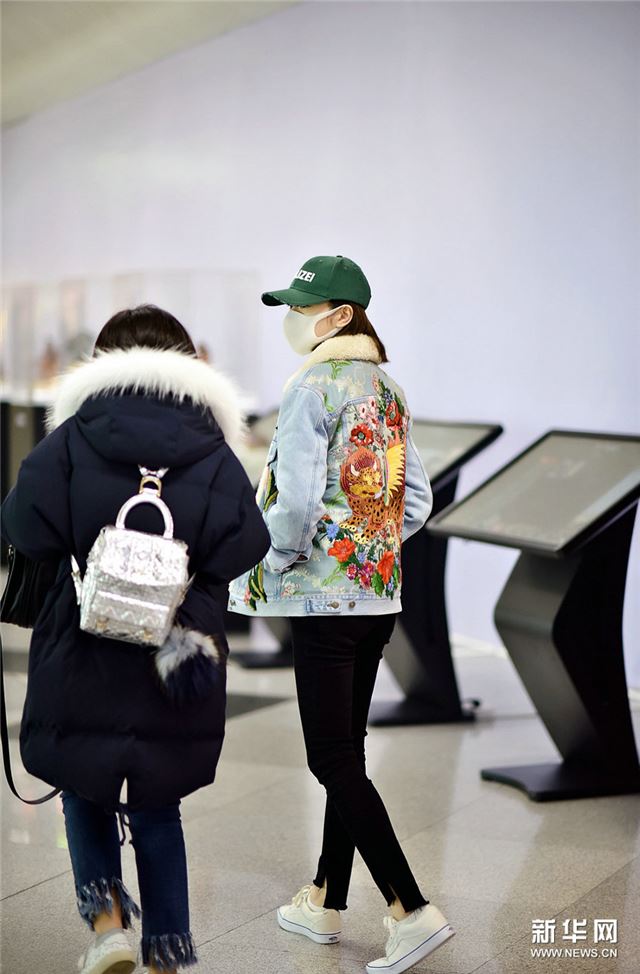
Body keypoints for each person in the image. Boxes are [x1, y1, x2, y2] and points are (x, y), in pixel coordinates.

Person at [1, 305, 270, 974]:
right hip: (175, 651)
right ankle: (166, 953)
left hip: (80, 643)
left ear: (101, 363)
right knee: (158, 805)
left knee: (82, 785)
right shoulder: (213, 449)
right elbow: (247, 541)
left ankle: (109, 931)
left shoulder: (71, 438)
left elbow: (24, 526)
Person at [228, 256, 455, 974]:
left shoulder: (310, 387)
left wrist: (271, 564)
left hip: (322, 604)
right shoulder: (388, 389)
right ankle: (325, 900)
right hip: (377, 598)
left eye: (303, 307)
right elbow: (415, 501)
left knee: (329, 758)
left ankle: (411, 910)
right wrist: (368, 547)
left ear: (340, 314)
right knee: (346, 754)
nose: (294, 320)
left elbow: (293, 505)